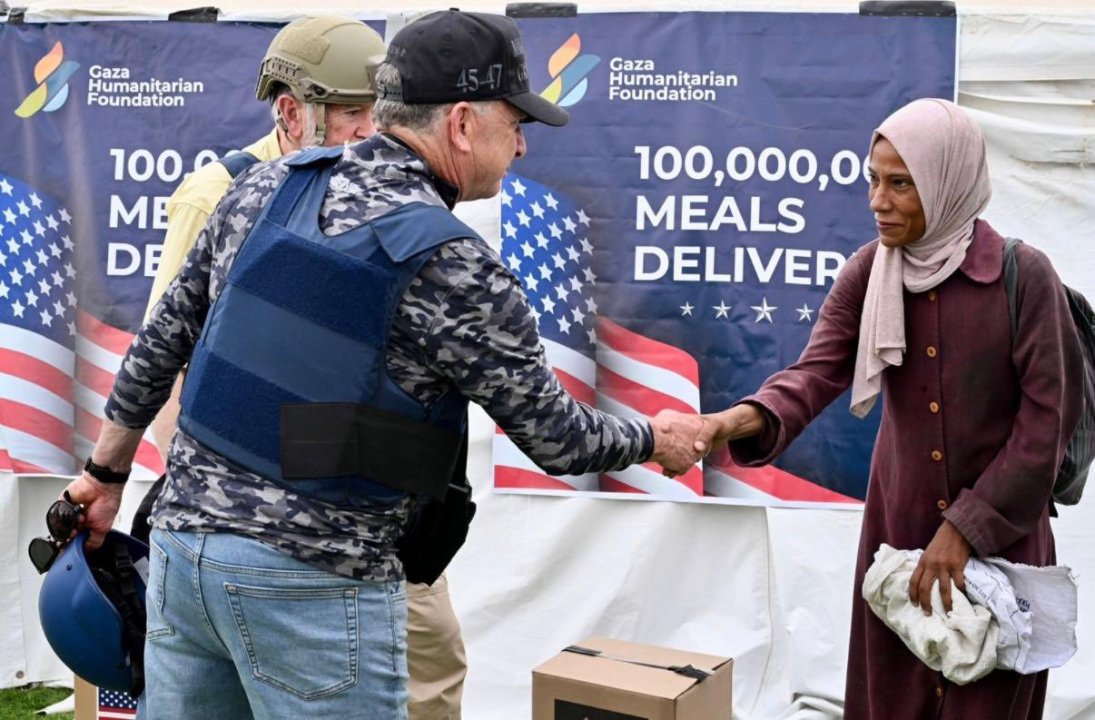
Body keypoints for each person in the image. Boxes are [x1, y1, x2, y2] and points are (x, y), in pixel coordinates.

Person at [66, 10, 704, 720]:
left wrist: (103, 477)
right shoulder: (453, 262)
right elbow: (559, 439)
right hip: (312, 585)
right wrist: (657, 439)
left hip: (184, 559)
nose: (521, 147)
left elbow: (157, 346)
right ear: (461, 123)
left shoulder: (261, 190)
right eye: (514, 122)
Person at [695, 98, 1082, 719]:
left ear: (947, 182)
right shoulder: (869, 273)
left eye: (901, 183)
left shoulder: (1023, 277)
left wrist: (964, 529)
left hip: (1003, 549)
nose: (878, 200)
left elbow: (1045, 429)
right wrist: (723, 424)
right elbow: (813, 375)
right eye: (873, 180)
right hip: (900, 545)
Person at [135, 16, 469, 720]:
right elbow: (170, 358)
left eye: (378, 112)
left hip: (378, 495)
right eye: (353, 113)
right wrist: (225, 508)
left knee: (432, 666)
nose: (371, 129)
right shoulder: (225, 190)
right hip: (264, 510)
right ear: (292, 112)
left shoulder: (397, 190)